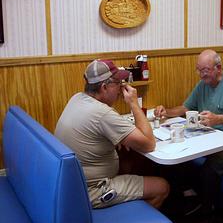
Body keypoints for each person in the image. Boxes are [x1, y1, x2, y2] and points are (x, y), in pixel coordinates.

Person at [55, 59, 169, 209]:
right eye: (118, 83)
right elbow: (149, 144)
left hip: (71, 183)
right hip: (91, 191)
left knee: (130, 156)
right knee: (162, 187)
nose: (121, 88)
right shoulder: (102, 113)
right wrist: (133, 103)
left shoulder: (77, 98)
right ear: (104, 87)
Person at [154, 49, 223, 218]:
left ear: (219, 68)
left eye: (205, 70)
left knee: (209, 170)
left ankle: (207, 210)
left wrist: (221, 119)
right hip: (210, 140)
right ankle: (185, 200)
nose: (201, 74)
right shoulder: (203, 85)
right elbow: (186, 107)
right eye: (199, 70)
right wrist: (167, 112)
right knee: (178, 160)